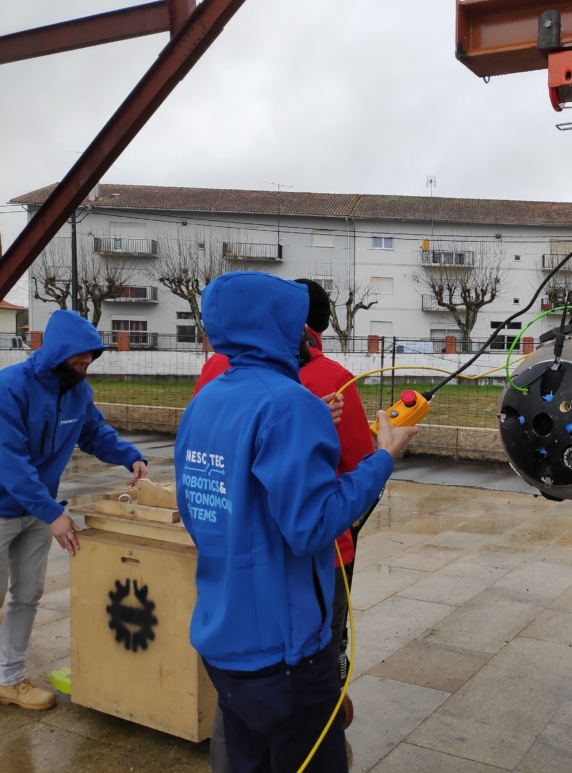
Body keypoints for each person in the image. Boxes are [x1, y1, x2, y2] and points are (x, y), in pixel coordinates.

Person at [175, 272, 417, 773]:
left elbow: (205, 509)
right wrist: (384, 457)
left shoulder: (205, 401)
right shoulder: (288, 404)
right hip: (285, 655)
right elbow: (312, 526)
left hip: (223, 638)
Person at [0, 310, 147, 710]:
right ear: (57, 351)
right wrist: (53, 514)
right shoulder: (10, 388)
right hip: (6, 508)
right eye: (79, 355)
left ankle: (10, 679)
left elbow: (94, 432)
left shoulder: (78, 390)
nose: (86, 362)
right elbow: (10, 463)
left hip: (38, 509)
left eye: (91, 356)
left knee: (27, 595)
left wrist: (130, 456)